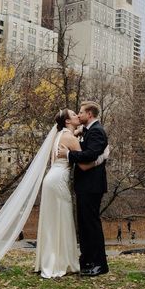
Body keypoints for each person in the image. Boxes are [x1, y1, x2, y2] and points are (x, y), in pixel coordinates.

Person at [35, 108, 109, 278]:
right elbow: (83, 161)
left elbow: (77, 149)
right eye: (74, 115)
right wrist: (102, 158)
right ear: (68, 121)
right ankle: (63, 261)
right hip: (59, 182)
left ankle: (50, 260)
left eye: (79, 113)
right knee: (64, 220)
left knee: (52, 221)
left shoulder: (59, 135)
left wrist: (78, 133)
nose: (78, 116)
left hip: (51, 179)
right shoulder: (70, 137)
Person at [58, 101, 109, 277]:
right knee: (85, 225)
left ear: (90, 114)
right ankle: (87, 260)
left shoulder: (97, 131)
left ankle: (99, 264)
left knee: (92, 225)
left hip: (92, 185)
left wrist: (68, 154)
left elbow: (90, 156)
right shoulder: (89, 131)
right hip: (85, 185)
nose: (79, 115)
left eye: (81, 112)